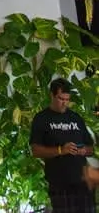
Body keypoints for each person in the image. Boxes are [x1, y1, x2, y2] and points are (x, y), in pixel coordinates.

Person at [30, 77, 94, 213]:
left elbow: (90, 148)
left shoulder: (76, 118)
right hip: (59, 183)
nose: (64, 103)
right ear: (52, 95)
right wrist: (61, 150)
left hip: (83, 182)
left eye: (67, 99)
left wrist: (84, 151)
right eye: (60, 99)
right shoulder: (41, 119)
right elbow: (36, 150)